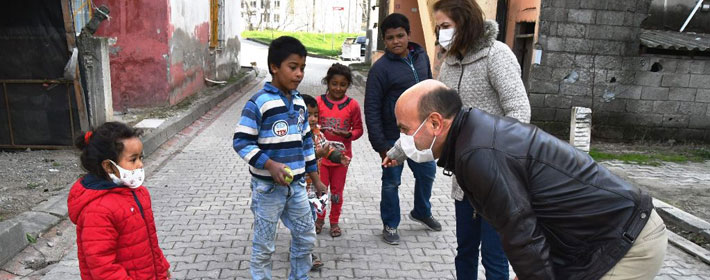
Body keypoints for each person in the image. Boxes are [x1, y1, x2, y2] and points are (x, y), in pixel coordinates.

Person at [384, 80, 668, 280]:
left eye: (405, 129)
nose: (404, 139)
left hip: (626, 240)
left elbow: (521, 233)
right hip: (595, 237)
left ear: (435, 123)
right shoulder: (472, 136)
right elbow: (527, 223)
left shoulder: (478, 154)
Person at [432, 0, 532, 278]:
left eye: (446, 26)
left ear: (465, 22)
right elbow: (436, 118)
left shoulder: (497, 55)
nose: (441, 33)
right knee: (464, 250)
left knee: (494, 255)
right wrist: (400, 150)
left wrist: (491, 152)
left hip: (497, 180)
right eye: (438, 27)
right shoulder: (449, 64)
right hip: (464, 180)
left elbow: (520, 111)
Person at [232, 36, 327, 280]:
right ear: (274, 67)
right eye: (293, 67)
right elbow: (241, 142)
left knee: (306, 237)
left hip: (296, 187)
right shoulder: (259, 103)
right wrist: (270, 164)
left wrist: (315, 178)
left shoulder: (299, 103)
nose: (299, 74)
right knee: (264, 245)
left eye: (302, 68)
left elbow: (306, 142)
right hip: (267, 190)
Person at [364, 12, 440, 246]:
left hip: (421, 135)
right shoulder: (380, 69)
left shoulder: (421, 58)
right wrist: (381, 146)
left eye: (400, 35)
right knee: (391, 182)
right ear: (384, 41)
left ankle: (421, 211)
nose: (396, 41)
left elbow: (429, 90)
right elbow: (372, 108)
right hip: (392, 136)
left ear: (408, 35)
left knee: (427, 174)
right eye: (390, 38)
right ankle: (390, 224)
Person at [68, 122, 171, 280]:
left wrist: (162, 269)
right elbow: (102, 265)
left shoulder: (138, 193)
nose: (140, 164)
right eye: (133, 159)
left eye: (140, 157)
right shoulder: (97, 210)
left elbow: (149, 243)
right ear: (109, 166)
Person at [302, 94, 351, 271]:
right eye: (308, 115)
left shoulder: (318, 135)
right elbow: (302, 158)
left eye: (315, 114)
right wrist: (318, 154)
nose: (313, 119)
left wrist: (339, 157)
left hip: (313, 189)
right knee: (303, 222)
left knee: (309, 220)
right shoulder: (296, 137)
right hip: (298, 188)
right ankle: (306, 253)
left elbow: (328, 150)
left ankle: (301, 249)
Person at [315, 63, 363, 238]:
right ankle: (318, 219)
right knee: (320, 190)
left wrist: (348, 134)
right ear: (327, 82)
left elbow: (359, 129)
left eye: (343, 84)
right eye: (334, 83)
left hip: (341, 159)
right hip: (321, 158)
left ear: (348, 85)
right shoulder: (318, 102)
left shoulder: (353, 105)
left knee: (336, 192)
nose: (338, 88)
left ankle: (334, 221)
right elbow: (310, 124)